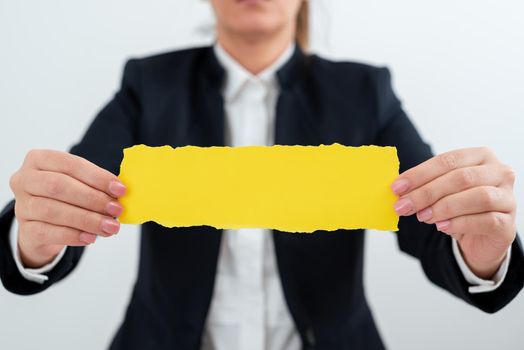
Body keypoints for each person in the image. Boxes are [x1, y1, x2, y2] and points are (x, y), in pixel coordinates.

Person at [1, 0, 523, 349]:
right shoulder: (148, 84)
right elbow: (74, 198)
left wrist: (481, 251)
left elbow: (428, 223)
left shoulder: (365, 91)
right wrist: (34, 234)